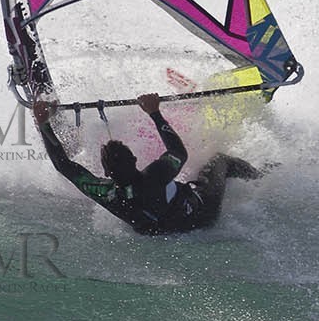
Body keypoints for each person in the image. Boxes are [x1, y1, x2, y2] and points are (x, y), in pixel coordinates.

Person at [31, 93, 256, 235]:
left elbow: (64, 166)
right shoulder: (154, 175)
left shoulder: (107, 193)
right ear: (136, 160)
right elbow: (178, 152)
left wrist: (43, 125)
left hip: (158, 233)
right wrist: (155, 112)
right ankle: (265, 177)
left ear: (107, 172)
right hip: (201, 216)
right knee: (219, 160)